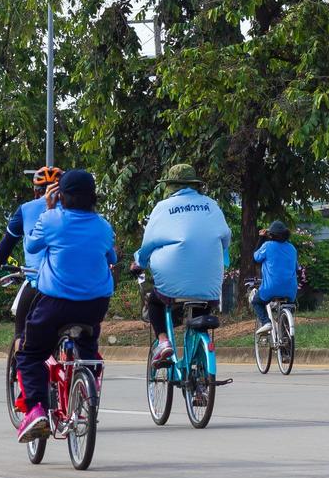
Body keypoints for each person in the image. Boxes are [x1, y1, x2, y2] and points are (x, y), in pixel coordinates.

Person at [17, 169, 116, 441]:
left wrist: (49, 209)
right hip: (95, 304)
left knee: (30, 353)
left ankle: (36, 409)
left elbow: (33, 246)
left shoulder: (51, 219)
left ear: (60, 194)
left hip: (56, 303)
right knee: (88, 345)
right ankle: (88, 382)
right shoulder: (103, 226)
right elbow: (112, 256)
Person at [134, 164, 231, 363]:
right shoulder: (211, 205)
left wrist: (140, 262)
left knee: (154, 301)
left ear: (170, 186)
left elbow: (148, 243)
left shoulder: (162, 207)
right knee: (201, 306)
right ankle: (200, 369)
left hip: (172, 280)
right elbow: (225, 238)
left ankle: (163, 341)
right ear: (195, 185)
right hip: (209, 280)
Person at [0, 167, 61, 355]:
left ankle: (21, 367)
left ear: (36, 190)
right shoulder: (78, 211)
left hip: (38, 281)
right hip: (76, 283)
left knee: (21, 332)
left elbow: (8, 241)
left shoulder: (26, 209)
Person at [251, 221, 299, 332]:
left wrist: (261, 238)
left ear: (271, 235)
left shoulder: (267, 246)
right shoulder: (292, 248)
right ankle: (285, 332)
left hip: (271, 288)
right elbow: (296, 268)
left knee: (256, 302)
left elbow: (255, 257)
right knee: (287, 309)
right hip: (290, 290)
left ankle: (266, 322)